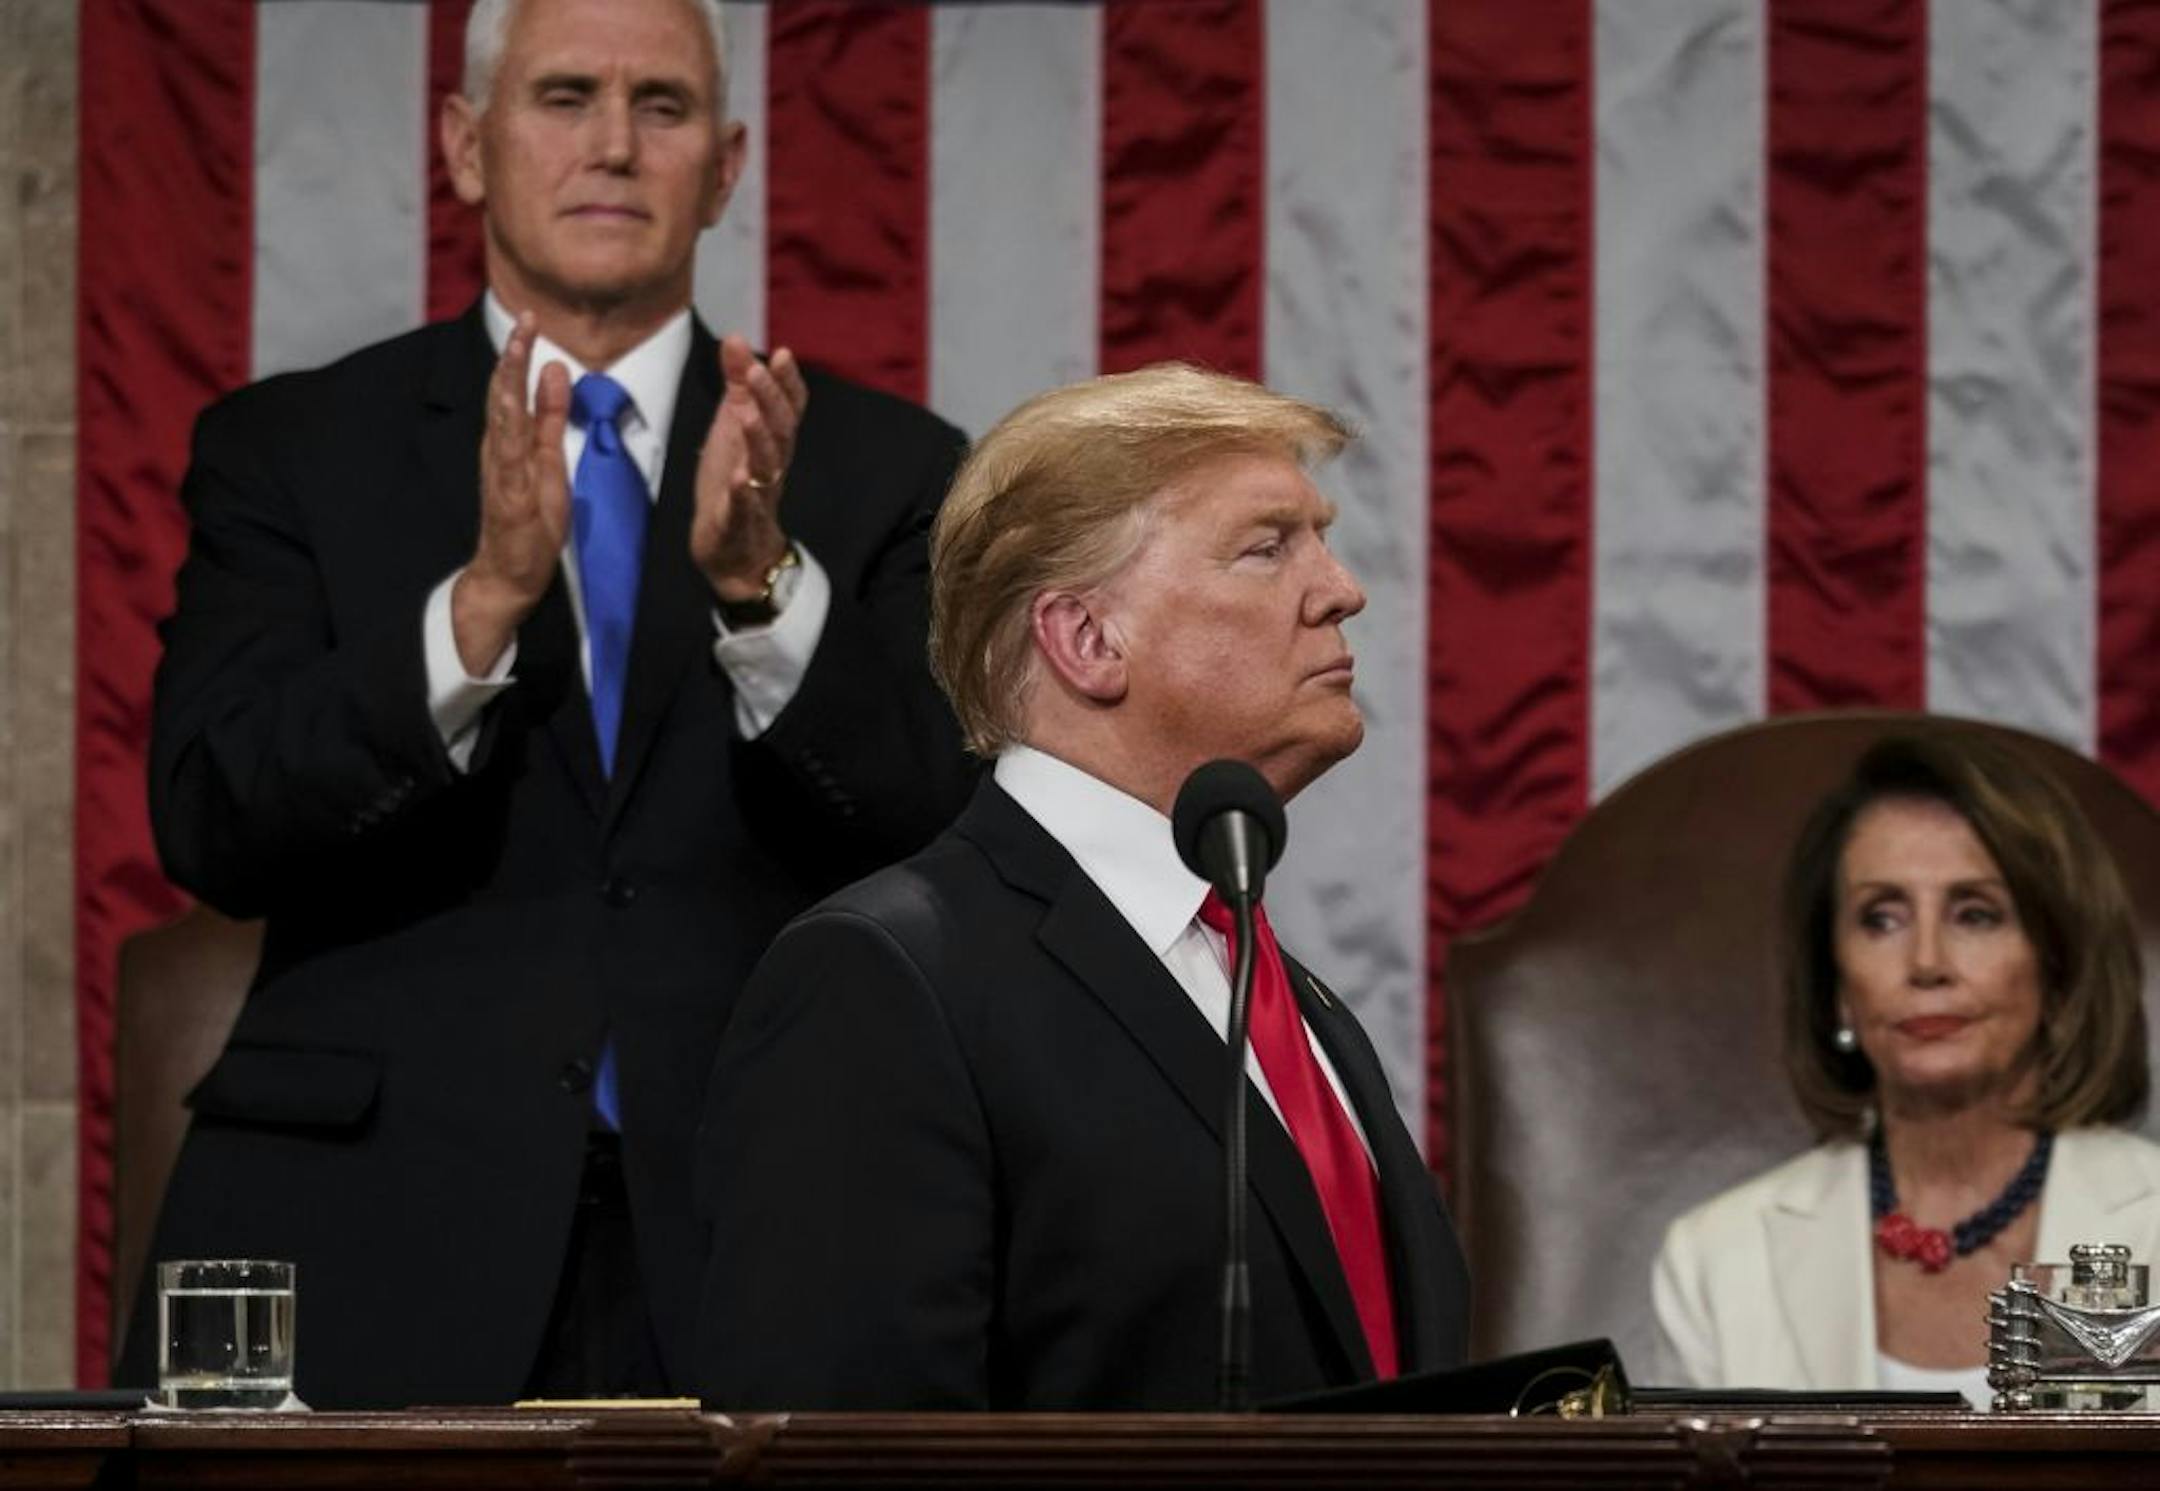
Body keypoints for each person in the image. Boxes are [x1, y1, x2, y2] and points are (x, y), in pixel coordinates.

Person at [122, 0, 973, 1408]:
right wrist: (477, 610)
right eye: (565, 95)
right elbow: (212, 812)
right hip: (374, 1226)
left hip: (760, 1221)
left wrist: (766, 596)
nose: (614, 147)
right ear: (464, 145)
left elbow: (943, 826)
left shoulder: (878, 467)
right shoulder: (291, 450)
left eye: (663, 107)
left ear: (729, 164)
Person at [692, 364, 1471, 1411]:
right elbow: (844, 1468)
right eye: (1268, 546)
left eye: (1317, 538)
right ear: (1087, 640)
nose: (1340, 588)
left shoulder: (1286, 996)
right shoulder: (881, 983)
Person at [1652, 729, 2160, 1399]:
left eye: (1975, 914)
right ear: (1837, 984)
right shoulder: (1715, 1262)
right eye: (1881, 918)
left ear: (2056, 963)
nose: (1926, 963)